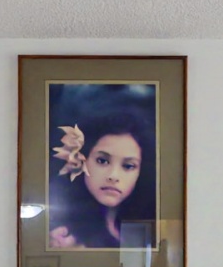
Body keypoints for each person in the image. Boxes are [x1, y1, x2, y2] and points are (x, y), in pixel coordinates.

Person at [48, 101, 157, 249]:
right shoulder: (61, 232)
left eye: (128, 166)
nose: (113, 176)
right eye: (102, 161)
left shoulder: (148, 229)